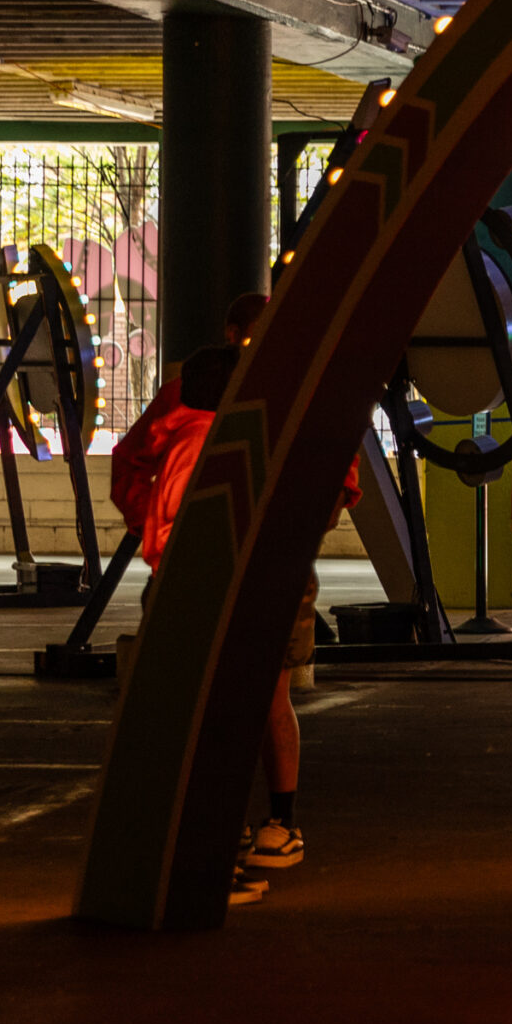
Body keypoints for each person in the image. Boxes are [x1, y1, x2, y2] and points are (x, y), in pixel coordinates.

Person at [111, 292, 360, 902]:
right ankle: (221, 842)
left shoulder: (198, 401)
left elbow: (336, 484)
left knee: (217, 705)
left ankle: (232, 835)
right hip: (237, 570)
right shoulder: (227, 402)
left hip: (232, 569)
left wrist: (162, 532)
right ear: (232, 337)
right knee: (227, 707)